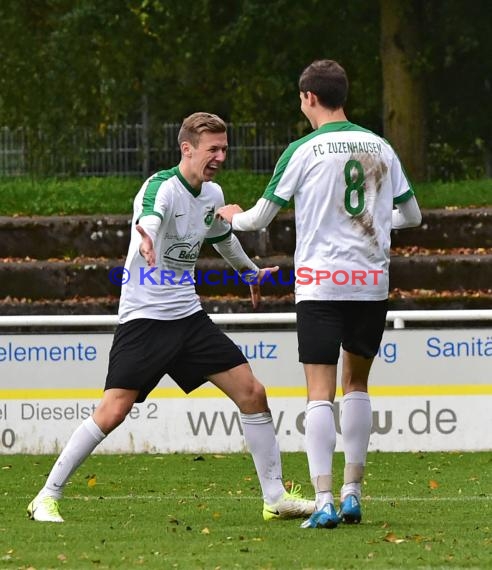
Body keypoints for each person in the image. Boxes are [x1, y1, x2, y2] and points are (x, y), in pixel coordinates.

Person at [27, 112, 314, 523]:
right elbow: (152, 215)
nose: (219, 156)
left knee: (252, 392)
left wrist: (250, 271)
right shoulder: (160, 186)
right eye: (212, 149)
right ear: (187, 149)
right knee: (113, 411)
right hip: (144, 319)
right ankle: (46, 496)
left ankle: (275, 499)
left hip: (188, 317)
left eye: (224, 149)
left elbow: (222, 238)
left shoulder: (212, 194)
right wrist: (146, 234)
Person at [217, 60, 422, 529]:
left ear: (308, 97)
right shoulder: (380, 146)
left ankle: (324, 499)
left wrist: (231, 215)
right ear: (342, 95)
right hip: (370, 283)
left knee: (319, 393)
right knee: (358, 385)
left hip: (321, 284)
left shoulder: (303, 149)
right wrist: (371, 221)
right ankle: (353, 493)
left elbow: (260, 218)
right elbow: (410, 215)